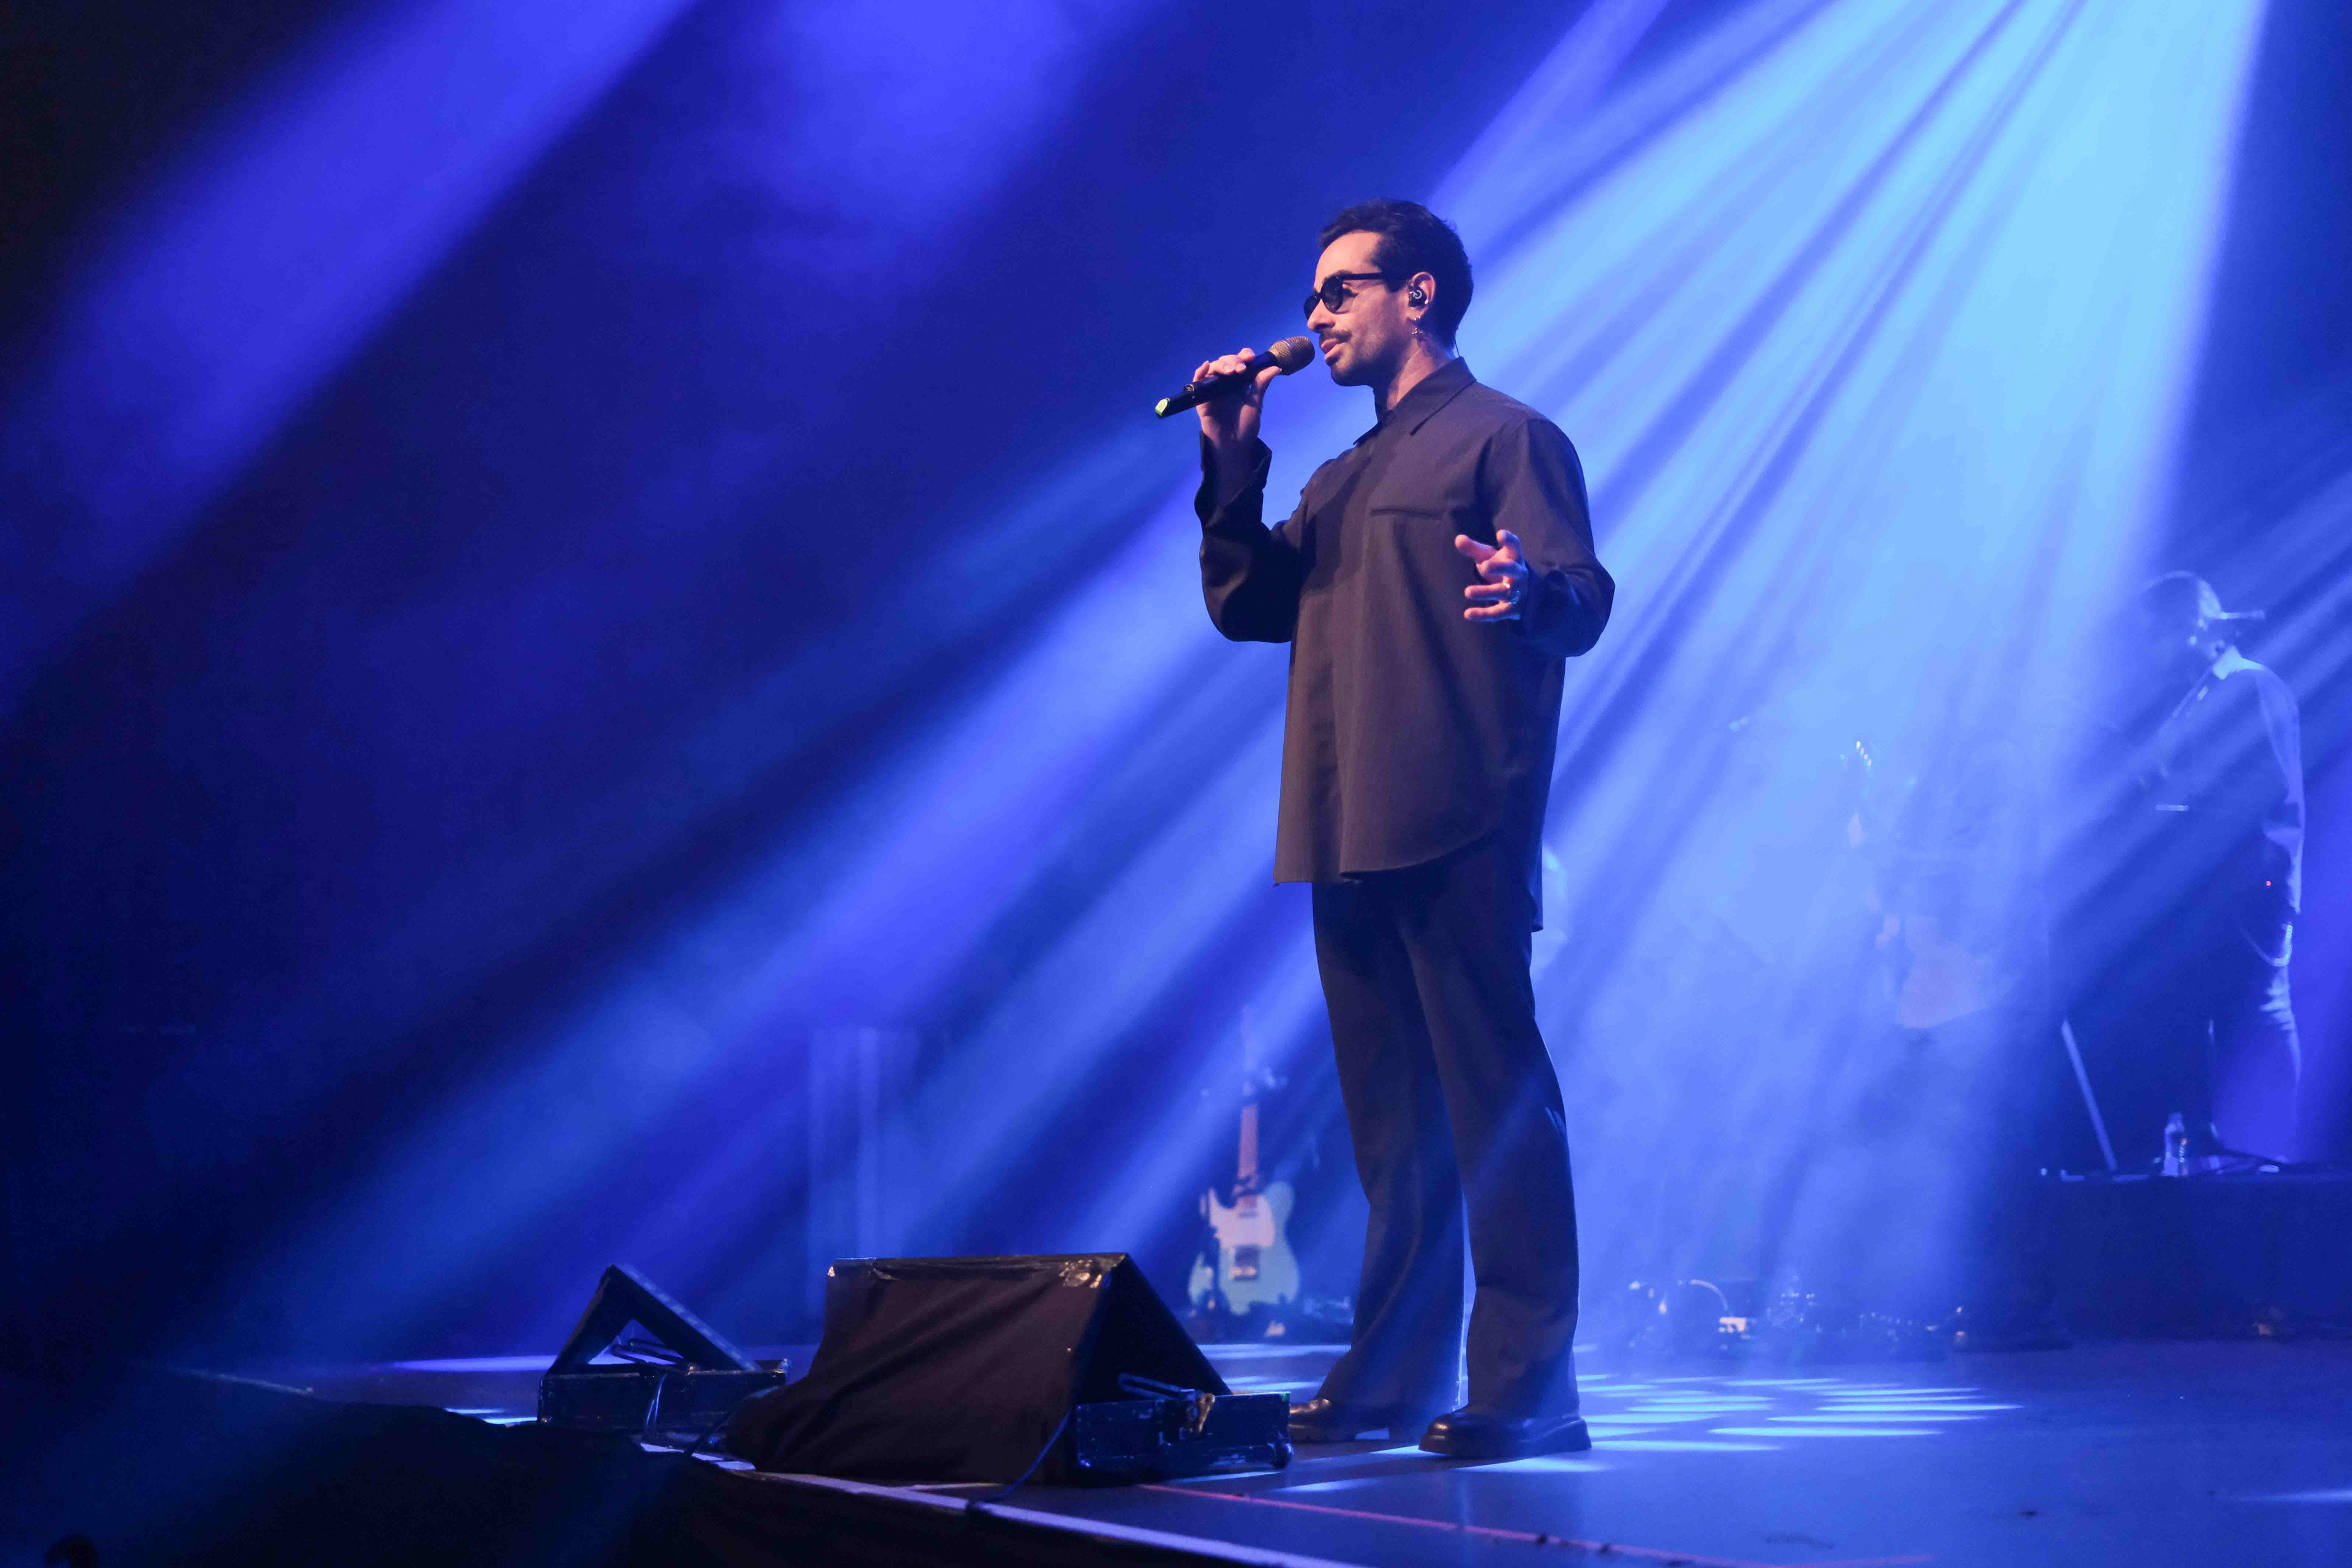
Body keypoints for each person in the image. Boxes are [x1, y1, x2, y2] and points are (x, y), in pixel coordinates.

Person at [1189, 199, 1612, 1460]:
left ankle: (1532, 1385)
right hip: (1344, 820)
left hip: (1456, 811)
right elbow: (1250, 604)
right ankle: (1389, 1373)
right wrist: (1232, 460)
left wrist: (1530, 591)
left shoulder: (1507, 437)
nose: (1315, 317)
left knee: (1494, 1104)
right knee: (1394, 1126)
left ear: (1416, 294)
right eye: (1313, 298)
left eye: (1341, 291)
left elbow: (1582, 595)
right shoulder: (1341, 475)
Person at [2094, 573, 2303, 1161]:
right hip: (2213, 889)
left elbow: (2267, 788)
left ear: (2189, 629)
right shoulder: (2198, 696)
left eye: (2151, 636)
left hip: (2254, 884)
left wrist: (2175, 803)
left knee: (2261, 1011)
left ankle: (2279, 1156)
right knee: (2202, 1018)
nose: (2145, 652)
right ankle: (2217, 1154)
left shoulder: (2250, 684)